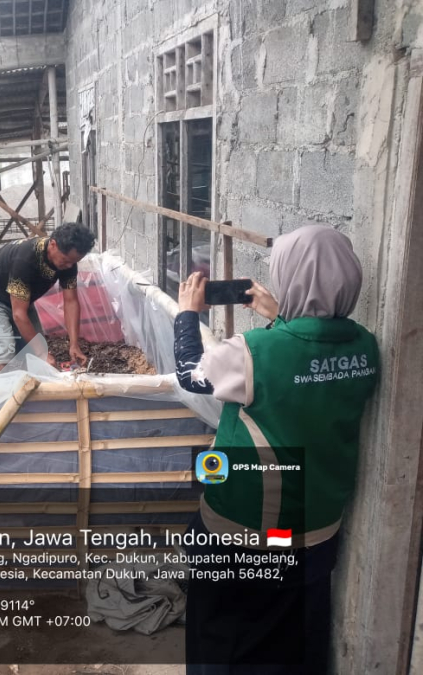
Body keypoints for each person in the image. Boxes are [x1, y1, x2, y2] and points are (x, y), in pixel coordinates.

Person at [173, 225, 379, 673]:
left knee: (224, 639)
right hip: (316, 531)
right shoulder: (366, 347)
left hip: (245, 533)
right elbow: (306, 364)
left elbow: (191, 374)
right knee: (293, 640)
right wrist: (281, 316)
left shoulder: (253, 350)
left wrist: (186, 315)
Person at [0, 222, 96, 367]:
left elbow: (71, 301)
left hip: (22, 298)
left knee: (32, 353)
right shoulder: (26, 259)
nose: (69, 266)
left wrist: (74, 345)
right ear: (53, 245)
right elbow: (19, 314)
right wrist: (42, 353)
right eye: (66, 260)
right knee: (2, 356)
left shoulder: (69, 263)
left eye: (74, 262)